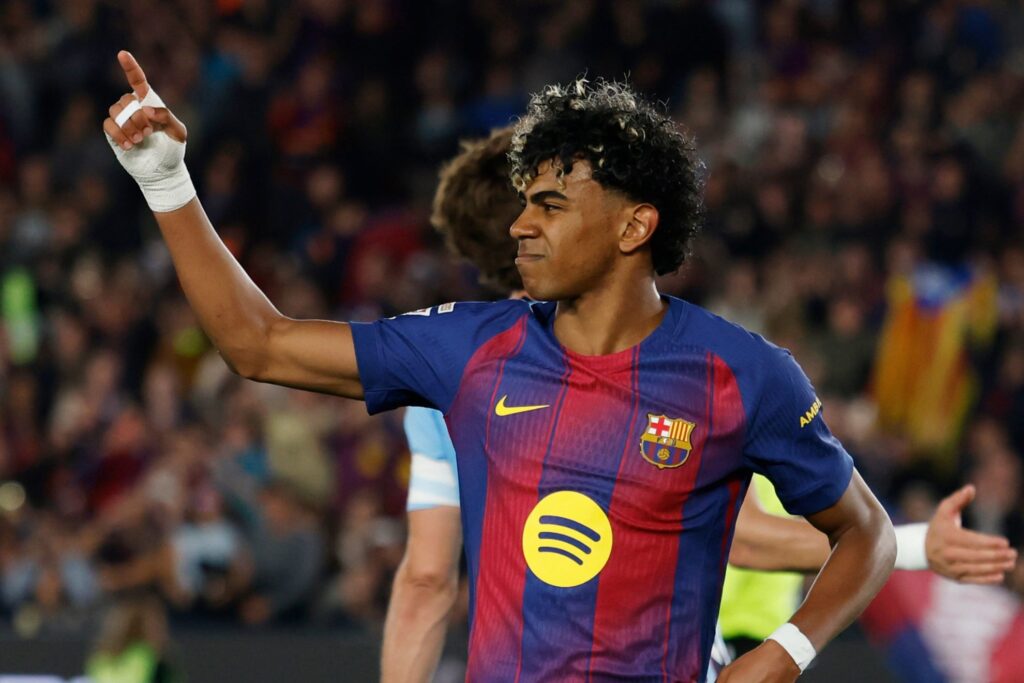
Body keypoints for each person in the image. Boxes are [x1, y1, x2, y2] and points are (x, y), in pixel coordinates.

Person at [104, 53, 896, 681]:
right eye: (523, 202)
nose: (519, 225)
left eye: (550, 205)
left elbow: (866, 534)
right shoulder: (470, 347)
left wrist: (784, 652)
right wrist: (166, 181)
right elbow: (259, 343)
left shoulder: (745, 374)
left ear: (634, 227)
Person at [382, 128, 1018, 682]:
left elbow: (426, 580)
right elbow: (745, 538)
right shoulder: (662, 355)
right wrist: (912, 547)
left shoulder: (446, 377)